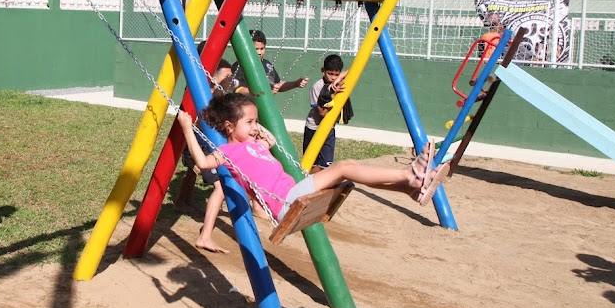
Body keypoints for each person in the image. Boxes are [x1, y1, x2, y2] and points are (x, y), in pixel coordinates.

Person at [176, 94, 449, 227]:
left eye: (256, 121)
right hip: (286, 202)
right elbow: (201, 162)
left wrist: (260, 132)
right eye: (249, 122)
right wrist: (188, 128)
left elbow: (269, 142)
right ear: (228, 126)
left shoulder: (256, 144)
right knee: (343, 168)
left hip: (292, 193)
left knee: (349, 164)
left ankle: (411, 189)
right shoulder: (229, 153)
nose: (255, 126)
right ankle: (409, 175)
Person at [176, 58, 236, 253]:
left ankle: (181, 202)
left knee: (206, 179)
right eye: (226, 76)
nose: (230, 80)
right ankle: (205, 236)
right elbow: (198, 114)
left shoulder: (220, 95)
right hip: (200, 147)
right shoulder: (200, 93)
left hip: (210, 147)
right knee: (221, 188)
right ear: (214, 76)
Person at [231, 30, 308, 96]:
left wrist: (296, 83)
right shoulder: (239, 66)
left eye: (262, 48)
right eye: (256, 49)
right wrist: (263, 93)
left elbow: (278, 84)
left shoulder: (267, 65)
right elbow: (239, 90)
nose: (259, 52)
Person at [303, 54, 345, 173]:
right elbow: (322, 112)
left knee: (326, 164)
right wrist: (333, 94)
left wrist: (340, 78)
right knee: (310, 165)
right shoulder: (317, 87)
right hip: (314, 128)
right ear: (323, 71)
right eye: (330, 74)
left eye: (336, 75)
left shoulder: (339, 83)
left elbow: (351, 71)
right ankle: (303, 181)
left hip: (328, 128)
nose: (333, 78)